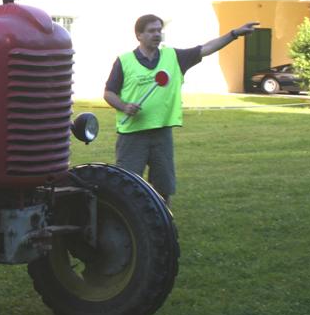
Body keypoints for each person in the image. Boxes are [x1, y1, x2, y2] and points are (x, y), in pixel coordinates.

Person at [103, 14, 258, 205]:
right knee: (126, 185)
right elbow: (109, 93)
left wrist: (234, 34)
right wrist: (124, 106)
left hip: (162, 133)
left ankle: (163, 223)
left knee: (164, 186)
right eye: (151, 31)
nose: (157, 34)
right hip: (133, 135)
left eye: (159, 30)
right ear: (139, 35)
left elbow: (206, 48)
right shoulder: (124, 61)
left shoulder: (174, 57)